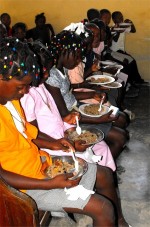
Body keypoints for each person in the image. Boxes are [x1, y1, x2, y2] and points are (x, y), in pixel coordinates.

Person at [0, 37, 131, 227]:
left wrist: (54, 143)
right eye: (21, 86)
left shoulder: (10, 102)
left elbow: (28, 134)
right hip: (23, 187)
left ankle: (116, 220)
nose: (25, 91)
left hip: (40, 164)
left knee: (103, 174)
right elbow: (3, 178)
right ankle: (90, 211)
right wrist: (50, 184)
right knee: (103, 208)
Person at [45, 30, 128, 160]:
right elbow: (64, 115)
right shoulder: (51, 77)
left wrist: (93, 94)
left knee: (118, 116)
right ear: (64, 52)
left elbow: (68, 95)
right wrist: (99, 119)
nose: (78, 60)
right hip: (71, 120)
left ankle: (105, 162)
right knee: (120, 136)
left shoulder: (62, 69)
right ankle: (100, 167)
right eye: (76, 56)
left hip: (76, 108)